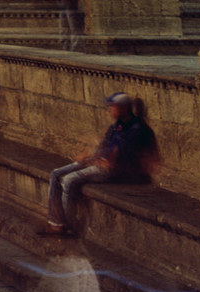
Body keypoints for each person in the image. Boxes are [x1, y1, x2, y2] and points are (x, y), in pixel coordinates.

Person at [44, 93, 159, 233]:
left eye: (113, 106)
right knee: (55, 173)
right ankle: (55, 221)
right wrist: (89, 156)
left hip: (116, 171)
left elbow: (120, 158)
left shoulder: (137, 129)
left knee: (69, 180)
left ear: (124, 108)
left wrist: (98, 161)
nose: (109, 109)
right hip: (99, 162)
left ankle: (67, 225)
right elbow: (104, 146)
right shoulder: (116, 126)